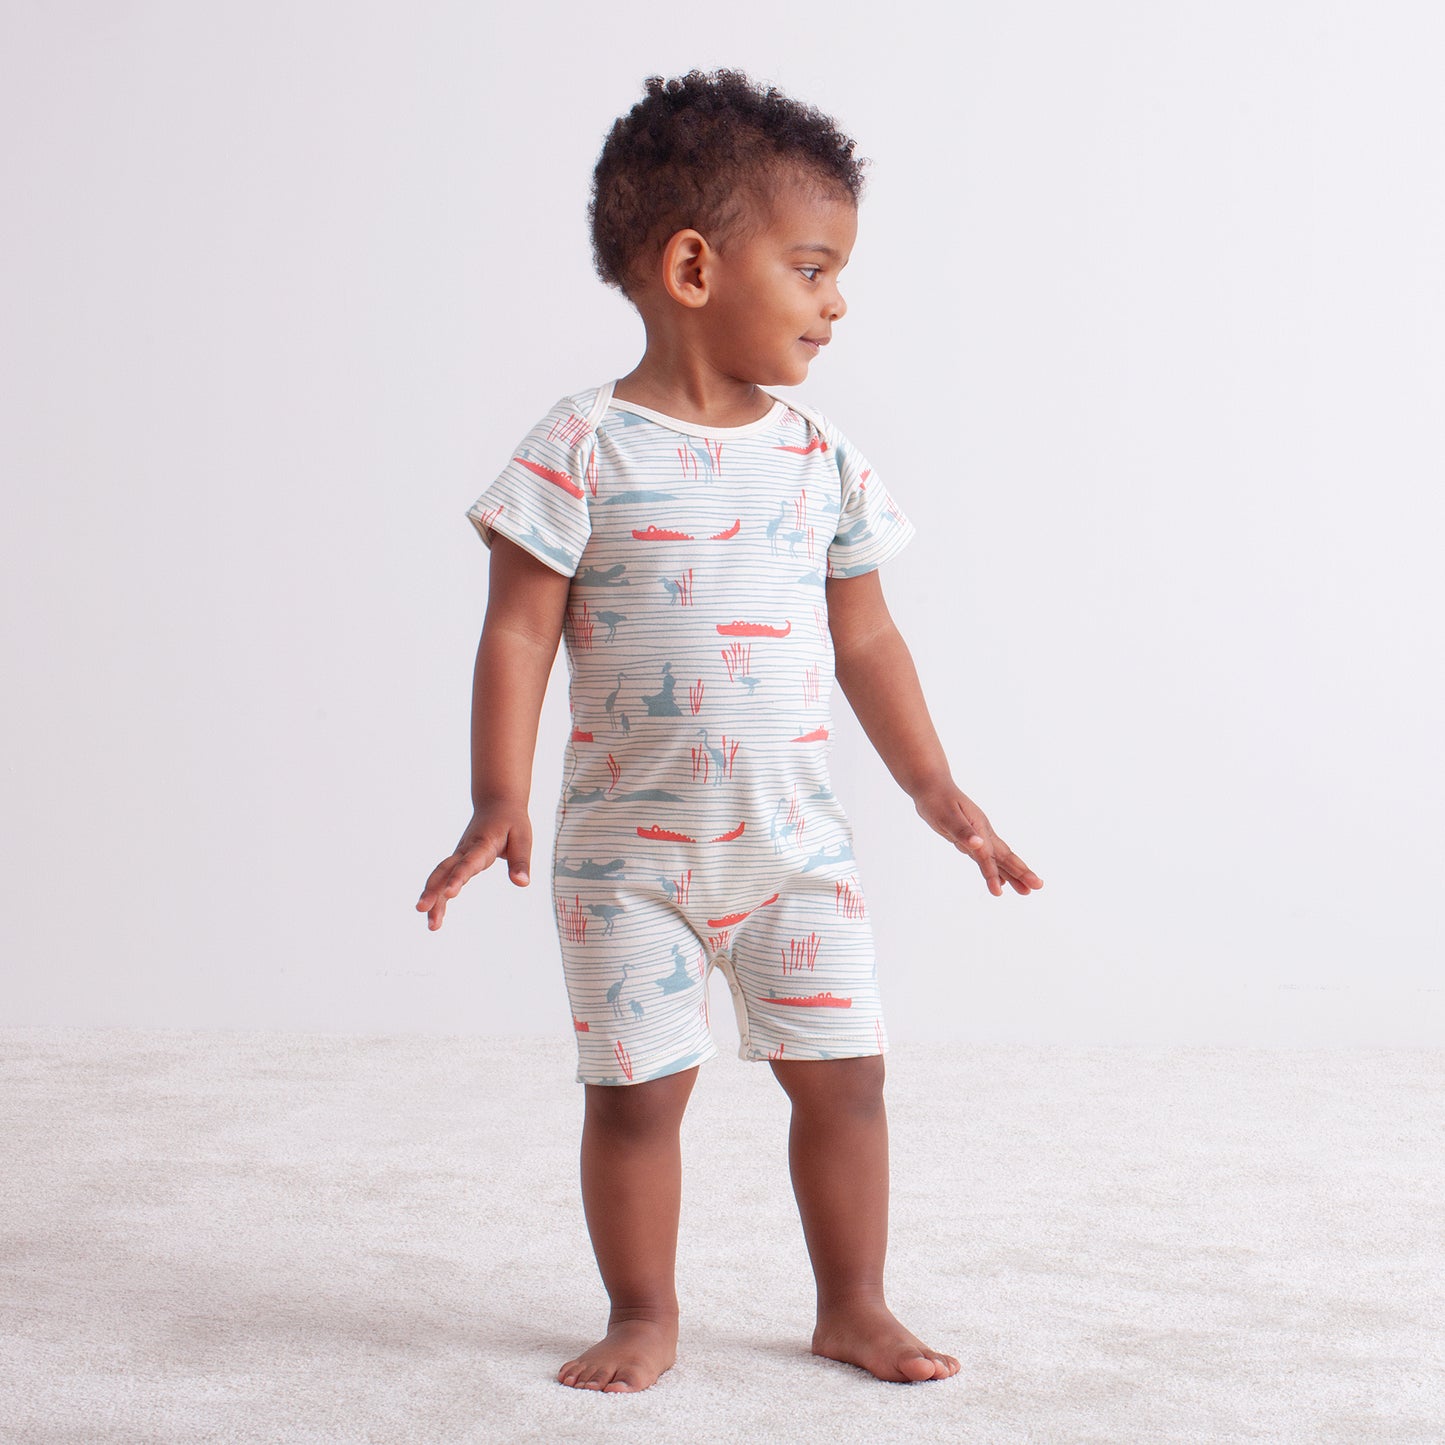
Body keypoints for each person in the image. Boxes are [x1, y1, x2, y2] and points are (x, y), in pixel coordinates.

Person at [417, 68, 1043, 1393]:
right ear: (693, 267)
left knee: (848, 1081)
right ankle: (641, 1311)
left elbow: (868, 641)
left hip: (793, 853)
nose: (837, 301)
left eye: (839, 273)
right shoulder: (579, 447)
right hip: (626, 866)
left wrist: (937, 789)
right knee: (637, 1097)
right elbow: (517, 633)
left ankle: (853, 1303)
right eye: (812, 267)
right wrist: (494, 796)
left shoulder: (821, 459)